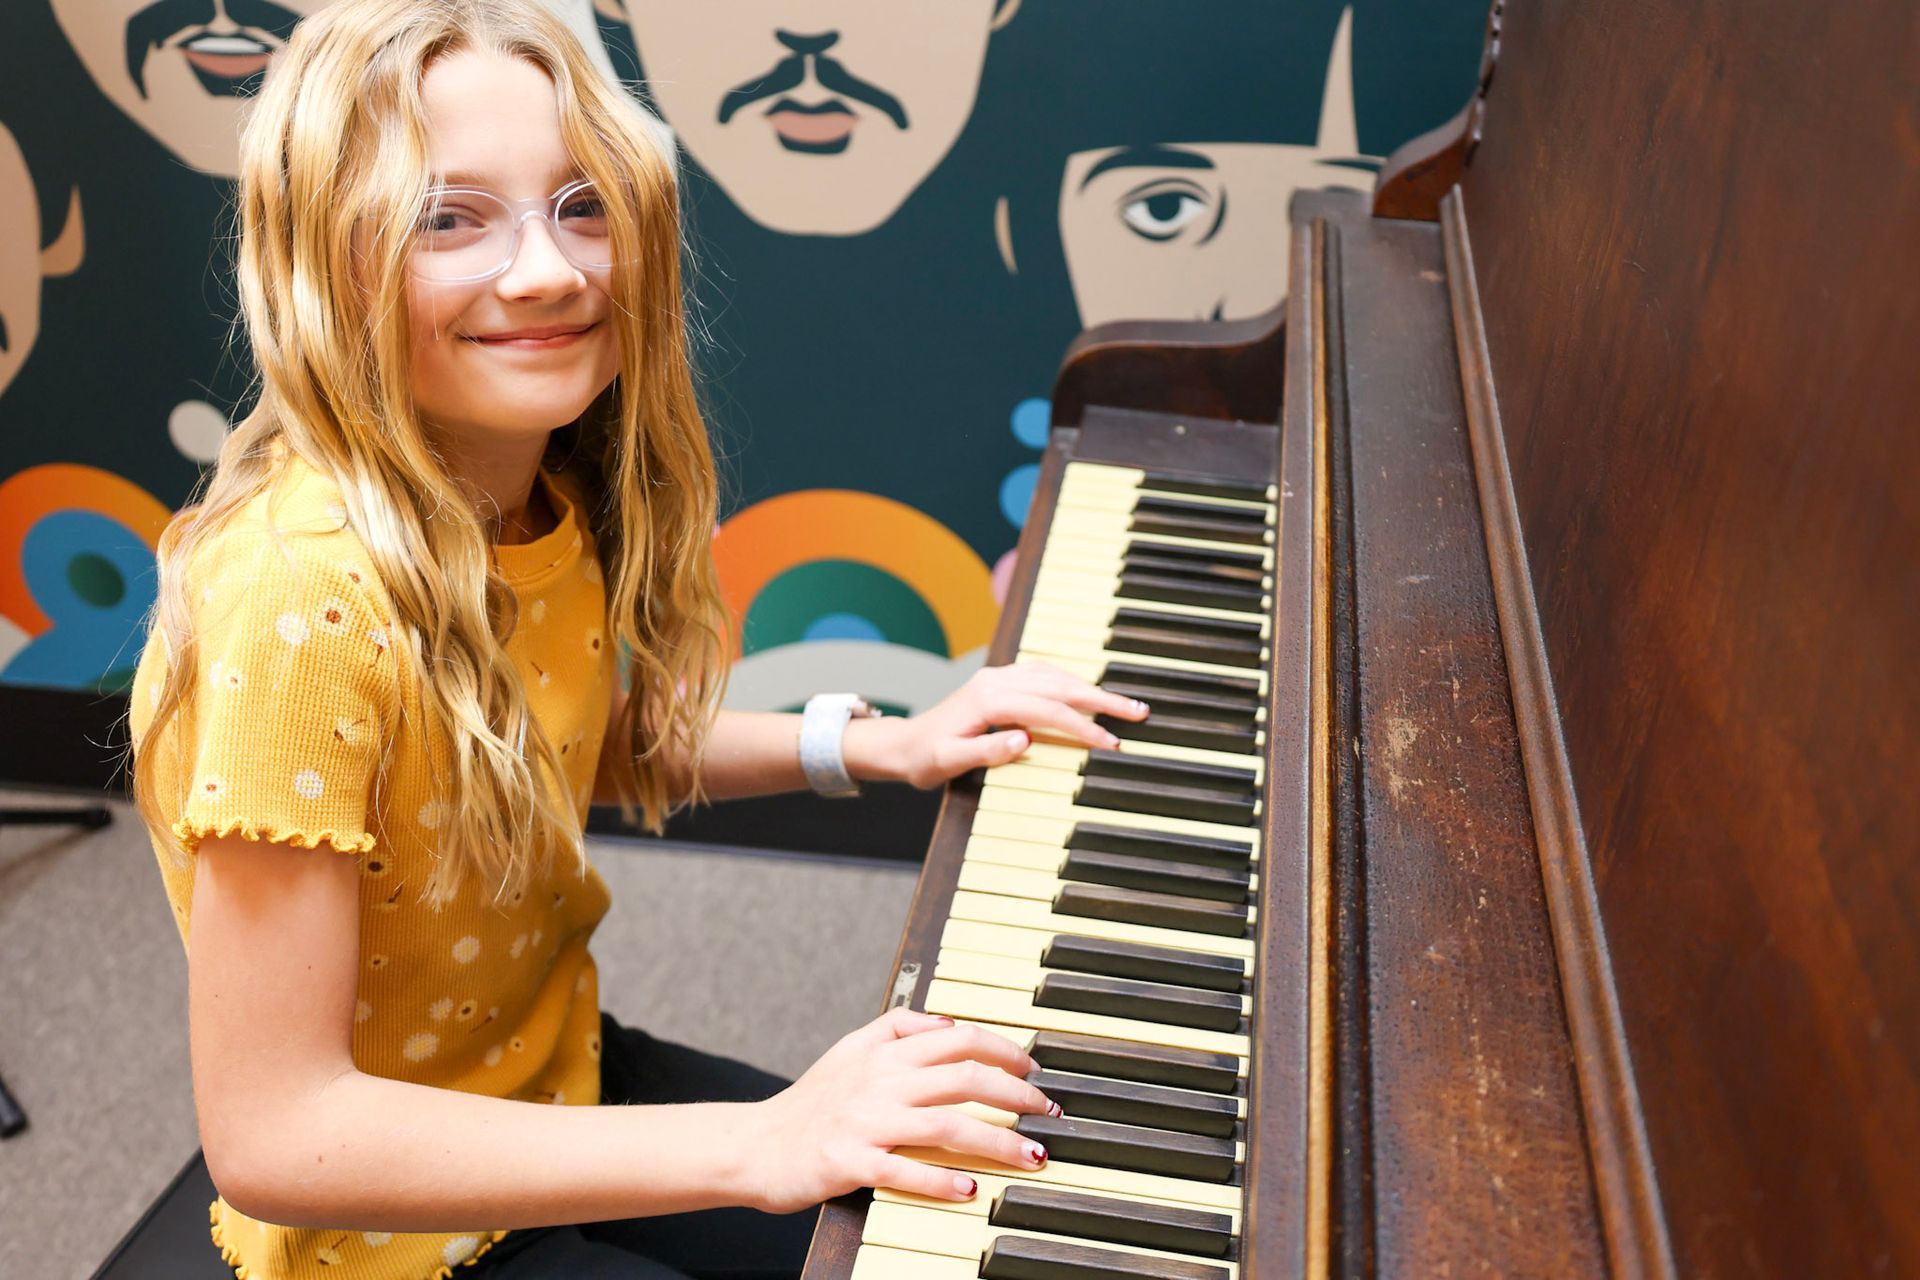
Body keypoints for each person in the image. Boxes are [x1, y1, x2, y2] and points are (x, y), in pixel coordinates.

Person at [124, 2, 1148, 1277]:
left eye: (581, 203)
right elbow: (279, 1129)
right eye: (448, 216)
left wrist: (881, 744)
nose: (549, 269)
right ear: (321, 260)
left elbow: (570, 733)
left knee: (947, 1216)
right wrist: (763, 1140)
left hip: (554, 1077)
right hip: (381, 1234)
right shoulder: (301, 606)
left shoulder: (538, 480)